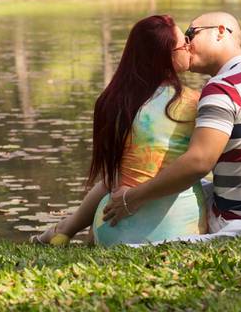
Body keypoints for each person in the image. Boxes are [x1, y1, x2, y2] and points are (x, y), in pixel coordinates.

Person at [103, 11, 241, 238]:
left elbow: (199, 162)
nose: (186, 44)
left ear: (220, 32)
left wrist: (133, 197)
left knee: (148, 189)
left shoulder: (222, 88)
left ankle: (93, 234)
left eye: (191, 34)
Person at [32, 15, 207, 246]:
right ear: (166, 56)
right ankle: (66, 229)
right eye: (184, 43)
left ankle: (64, 229)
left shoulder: (113, 101)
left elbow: (112, 175)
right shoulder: (195, 102)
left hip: (111, 227)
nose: (189, 47)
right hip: (180, 229)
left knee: (115, 177)